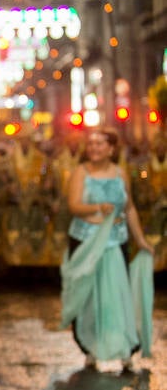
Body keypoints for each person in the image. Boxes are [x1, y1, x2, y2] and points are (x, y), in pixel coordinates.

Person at [61, 129, 154, 371]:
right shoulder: (81, 172)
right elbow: (73, 205)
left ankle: (122, 348)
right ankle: (90, 347)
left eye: (99, 144)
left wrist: (141, 240)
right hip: (87, 242)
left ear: (111, 149)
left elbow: (129, 208)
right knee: (89, 295)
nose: (94, 148)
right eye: (90, 144)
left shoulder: (121, 174)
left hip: (115, 242)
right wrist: (97, 209)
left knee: (117, 294)